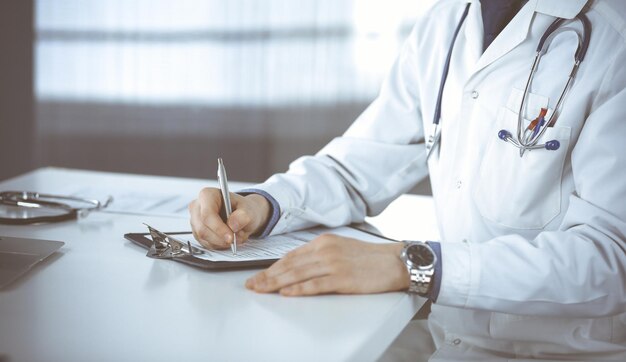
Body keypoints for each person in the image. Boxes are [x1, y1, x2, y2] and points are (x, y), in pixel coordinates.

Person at [189, 0, 626, 360]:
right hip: (450, 333)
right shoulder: (448, 21)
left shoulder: (614, 39)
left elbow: (612, 260)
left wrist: (412, 264)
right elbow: (358, 165)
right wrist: (262, 204)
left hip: (566, 351)